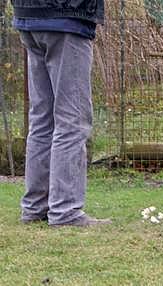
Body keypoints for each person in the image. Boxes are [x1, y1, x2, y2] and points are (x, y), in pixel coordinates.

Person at [11, 0, 112, 227]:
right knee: (72, 121)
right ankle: (65, 211)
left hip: (29, 16)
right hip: (66, 16)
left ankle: (35, 207)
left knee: (41, 120)